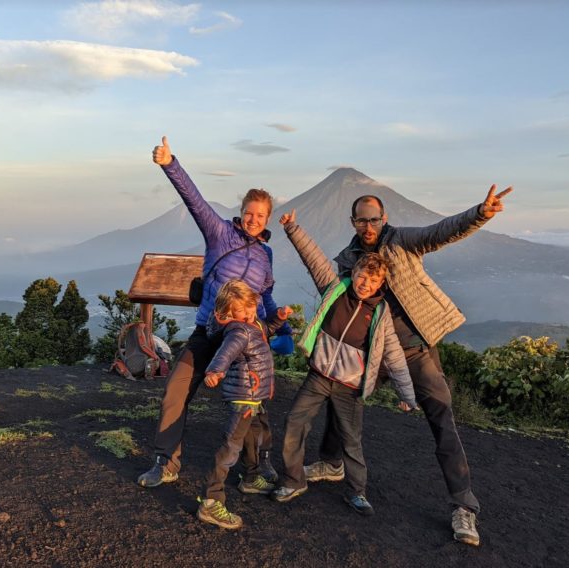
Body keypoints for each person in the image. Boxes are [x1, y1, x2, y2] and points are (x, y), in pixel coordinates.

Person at [304, 186, 512, 545]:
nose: (368, 225)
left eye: (374, 219)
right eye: (361, 220)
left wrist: (480, 213)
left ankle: (464, 506)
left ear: (383, 219)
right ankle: (332, 461)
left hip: (416, 349)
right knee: (340, 396)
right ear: (353, 222)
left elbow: (441, 231)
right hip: (374, 352)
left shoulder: (401, 241)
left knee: (441, 417)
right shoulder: (347, 258)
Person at [137, 136, 292, 488]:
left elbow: (264, 295)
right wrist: (169, 163)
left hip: (246, 336)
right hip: (210, 331)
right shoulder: (220, 233)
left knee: (254, 403)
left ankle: (257, 465)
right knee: (176, 390)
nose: (254, 219)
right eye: (249, 212)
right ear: (242, 211)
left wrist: (278, 324)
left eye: (261, 215)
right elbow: (195, 201)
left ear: (268, 217)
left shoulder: (265, 255)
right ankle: (165, 462)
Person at [271, 210, 418, 516]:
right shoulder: (336, 289)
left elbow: (393, 356)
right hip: (319, 375)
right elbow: (315, 259)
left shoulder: (380, 315)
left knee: (351, 440)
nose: (365, 283)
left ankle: (357, 492)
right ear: (356, 272)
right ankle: (294, 480)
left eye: (373, 279)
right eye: (363, 275)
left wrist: (407, 396)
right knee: (294, 422)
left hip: (349, 387)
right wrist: (292, 228)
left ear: (381, 284)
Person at [197, 280, 292, 530]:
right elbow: (226, 353)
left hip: (253, 395)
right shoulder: (238, 331)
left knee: (254, 437)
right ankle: (211, 501)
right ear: (227, 312)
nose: (249, 315)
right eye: (243, 311)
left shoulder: (251, 323)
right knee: (231, 446)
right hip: (243, 396)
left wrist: (279, 318)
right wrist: (215, 371)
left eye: (251, 309)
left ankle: (250, 478)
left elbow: (265, 329)